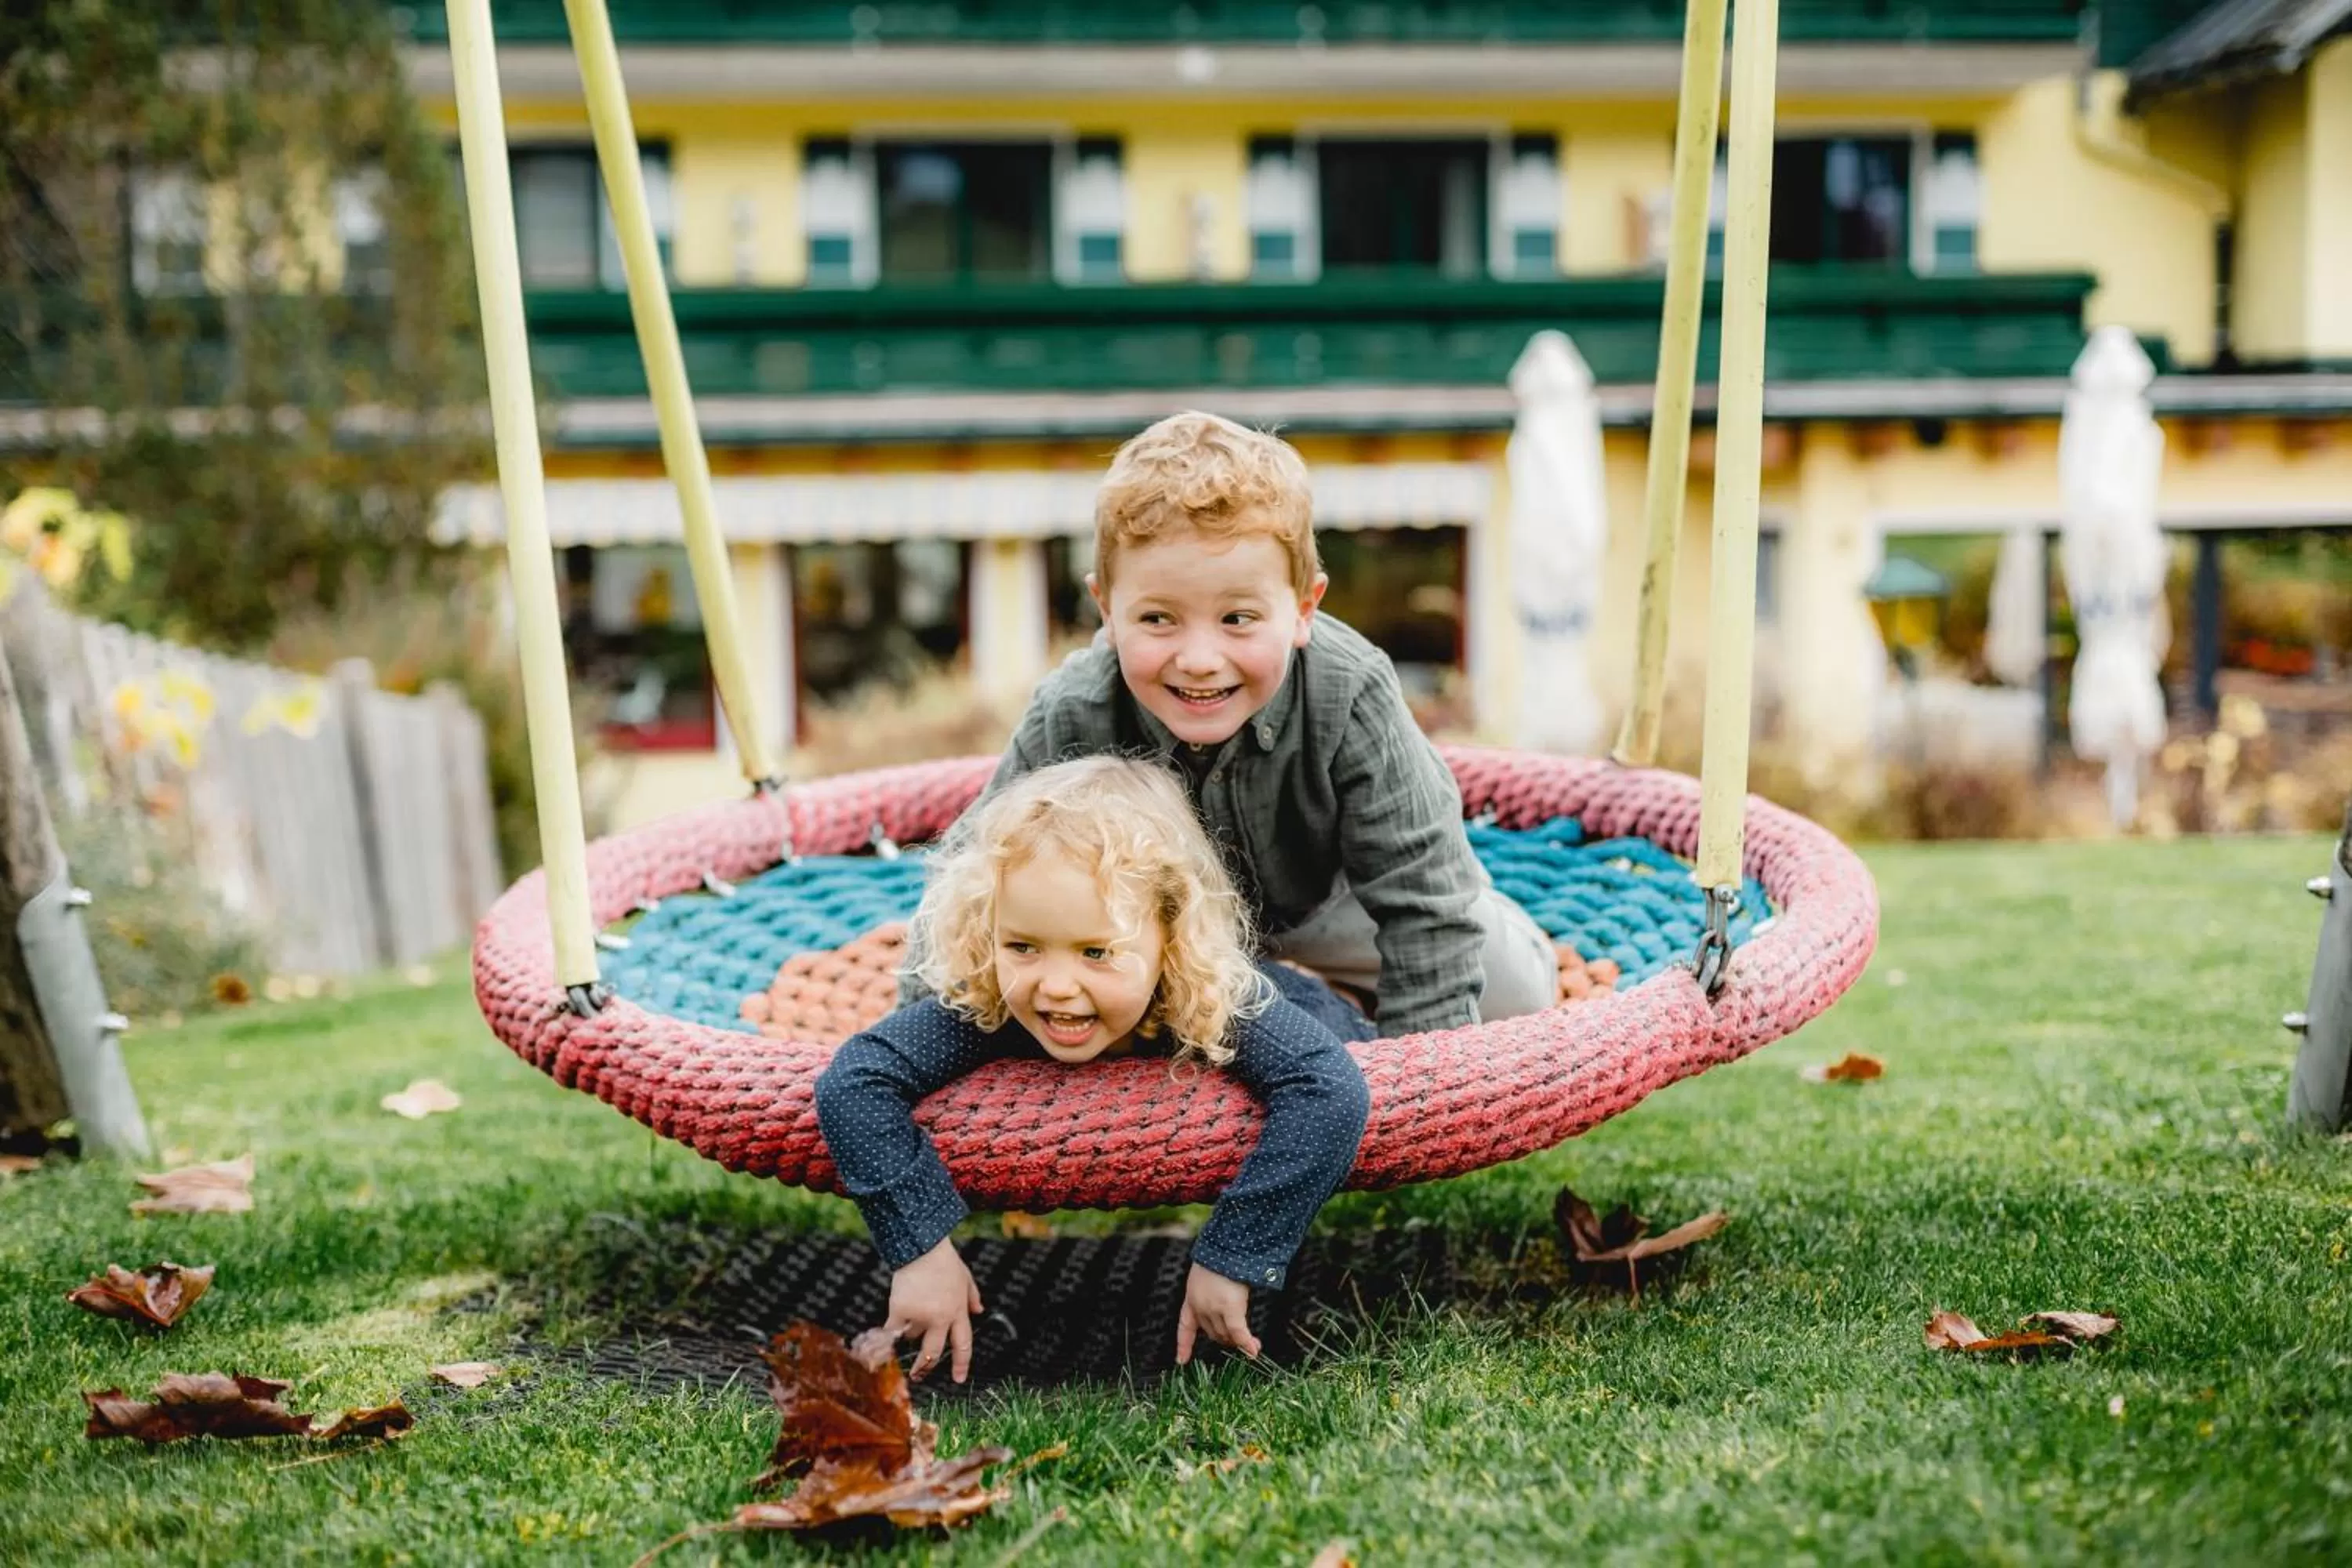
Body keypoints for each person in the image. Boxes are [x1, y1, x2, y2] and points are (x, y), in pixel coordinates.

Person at [976, 409, 1557, 1036]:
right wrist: (926, 1038)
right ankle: (1270, 998)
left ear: (1304, 609)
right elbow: (978, 875)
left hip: (1333, 903)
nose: (1199, 661)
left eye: (1238, 619)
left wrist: (1421, 1083)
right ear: (1107, 611)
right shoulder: (1074, 707)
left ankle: (1336, 990)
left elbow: (1423, 895)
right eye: (1158, 620)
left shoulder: (1350, 689)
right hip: (1152, 928)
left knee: (1516, 991)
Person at [815, 757, 1373, 1385]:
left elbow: (1327, 1088)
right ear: (987, 929)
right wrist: (919, 1249)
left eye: (1097, 953)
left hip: (1321, 1006)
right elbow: (858, 1081)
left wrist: (1236, 1256)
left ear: (1171, 937)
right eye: (1022, 945)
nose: (1056, 987)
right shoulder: (993, 1001)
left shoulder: (1217, 996)